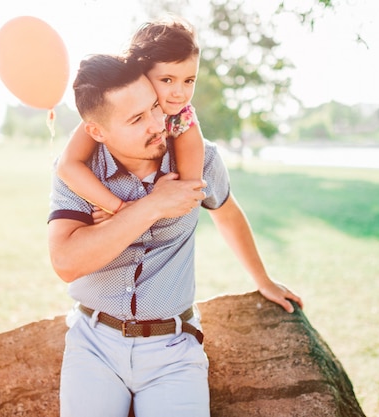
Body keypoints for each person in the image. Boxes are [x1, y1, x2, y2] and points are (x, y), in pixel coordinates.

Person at [47, 54, 303, 417]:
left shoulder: (199, 161)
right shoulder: (78, 173)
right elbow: (66, 262)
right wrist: (152, 206)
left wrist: (263, 279)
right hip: (93, 345)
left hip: (174, 349)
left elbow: (227, 213)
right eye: (137, 119)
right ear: (97, 132)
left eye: (153, 106)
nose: (157, 124)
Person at [56, 16, 204, 217]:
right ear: (141, 74)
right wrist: (117, 208)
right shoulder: (108, 113)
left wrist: (148, 206)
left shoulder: (183, 118)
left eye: (189, 80)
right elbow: (67, 166)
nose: (180, 93)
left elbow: (190, 190)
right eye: (167, 80)